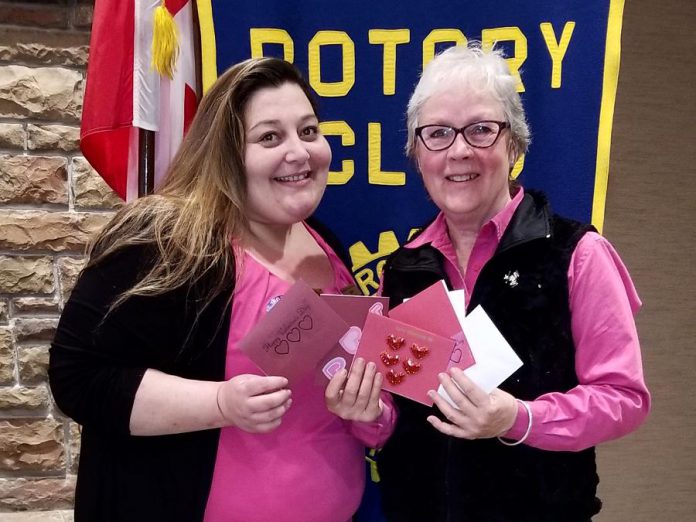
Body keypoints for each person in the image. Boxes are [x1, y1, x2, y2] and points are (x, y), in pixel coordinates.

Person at [49, 57, 395, 522]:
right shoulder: (167, 243)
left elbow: (341, 401)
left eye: (309, 131)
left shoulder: (326, 244)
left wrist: (363, 410)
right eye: (270, 137)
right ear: (226, 152)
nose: (299, 151)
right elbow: (79, 378)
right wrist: (219, 403)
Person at [376, 43, 650, 522]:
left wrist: (519, 419)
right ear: (417, 153)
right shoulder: (402, 269)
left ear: (515, 143)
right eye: (437, 133)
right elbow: (394, 414)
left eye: (481, 130)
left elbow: (624, 399)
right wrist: (367, 414)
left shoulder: (578, 254)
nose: (459, 150)